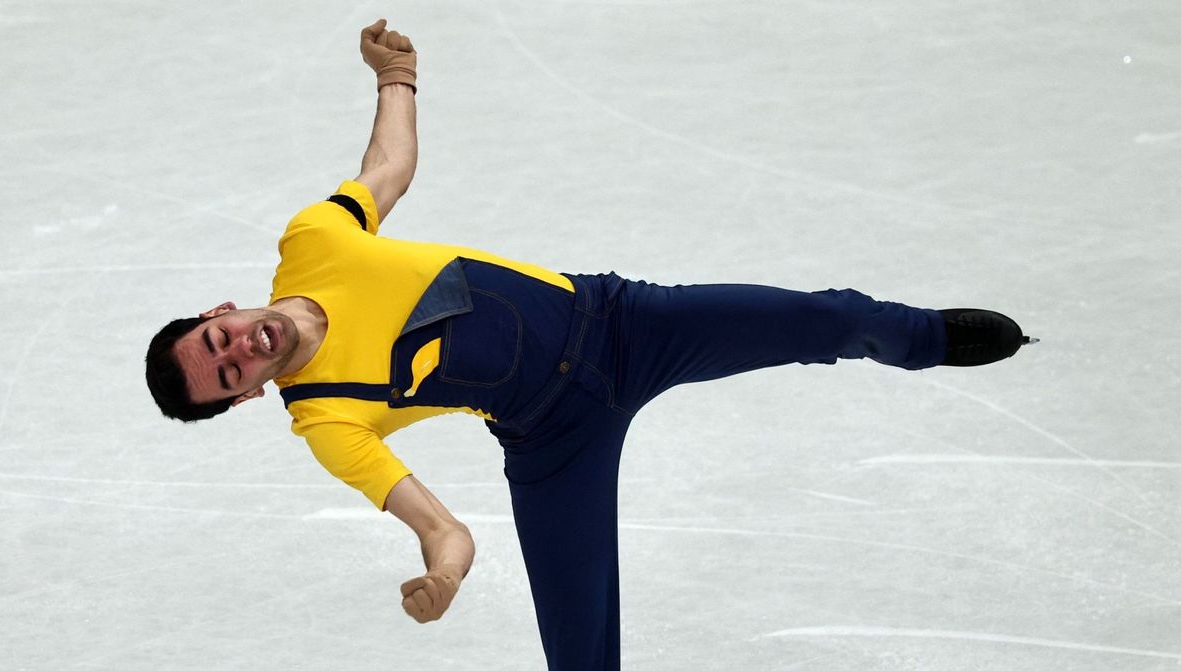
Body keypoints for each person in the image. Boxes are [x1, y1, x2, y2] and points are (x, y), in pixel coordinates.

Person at [143, 19, 1033, 670]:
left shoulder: (312, 240)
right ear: (246, 395)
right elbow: (440, 526)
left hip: (620, 323)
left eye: (218, 337)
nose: (240, 349)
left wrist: (397, 77)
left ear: (221, 308)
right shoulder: (325, 419)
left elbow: (387, 172)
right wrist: (444, 575)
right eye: (229, 374)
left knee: (825, 315)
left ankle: (924, 341)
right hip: (550, 441)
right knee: (578, 654)